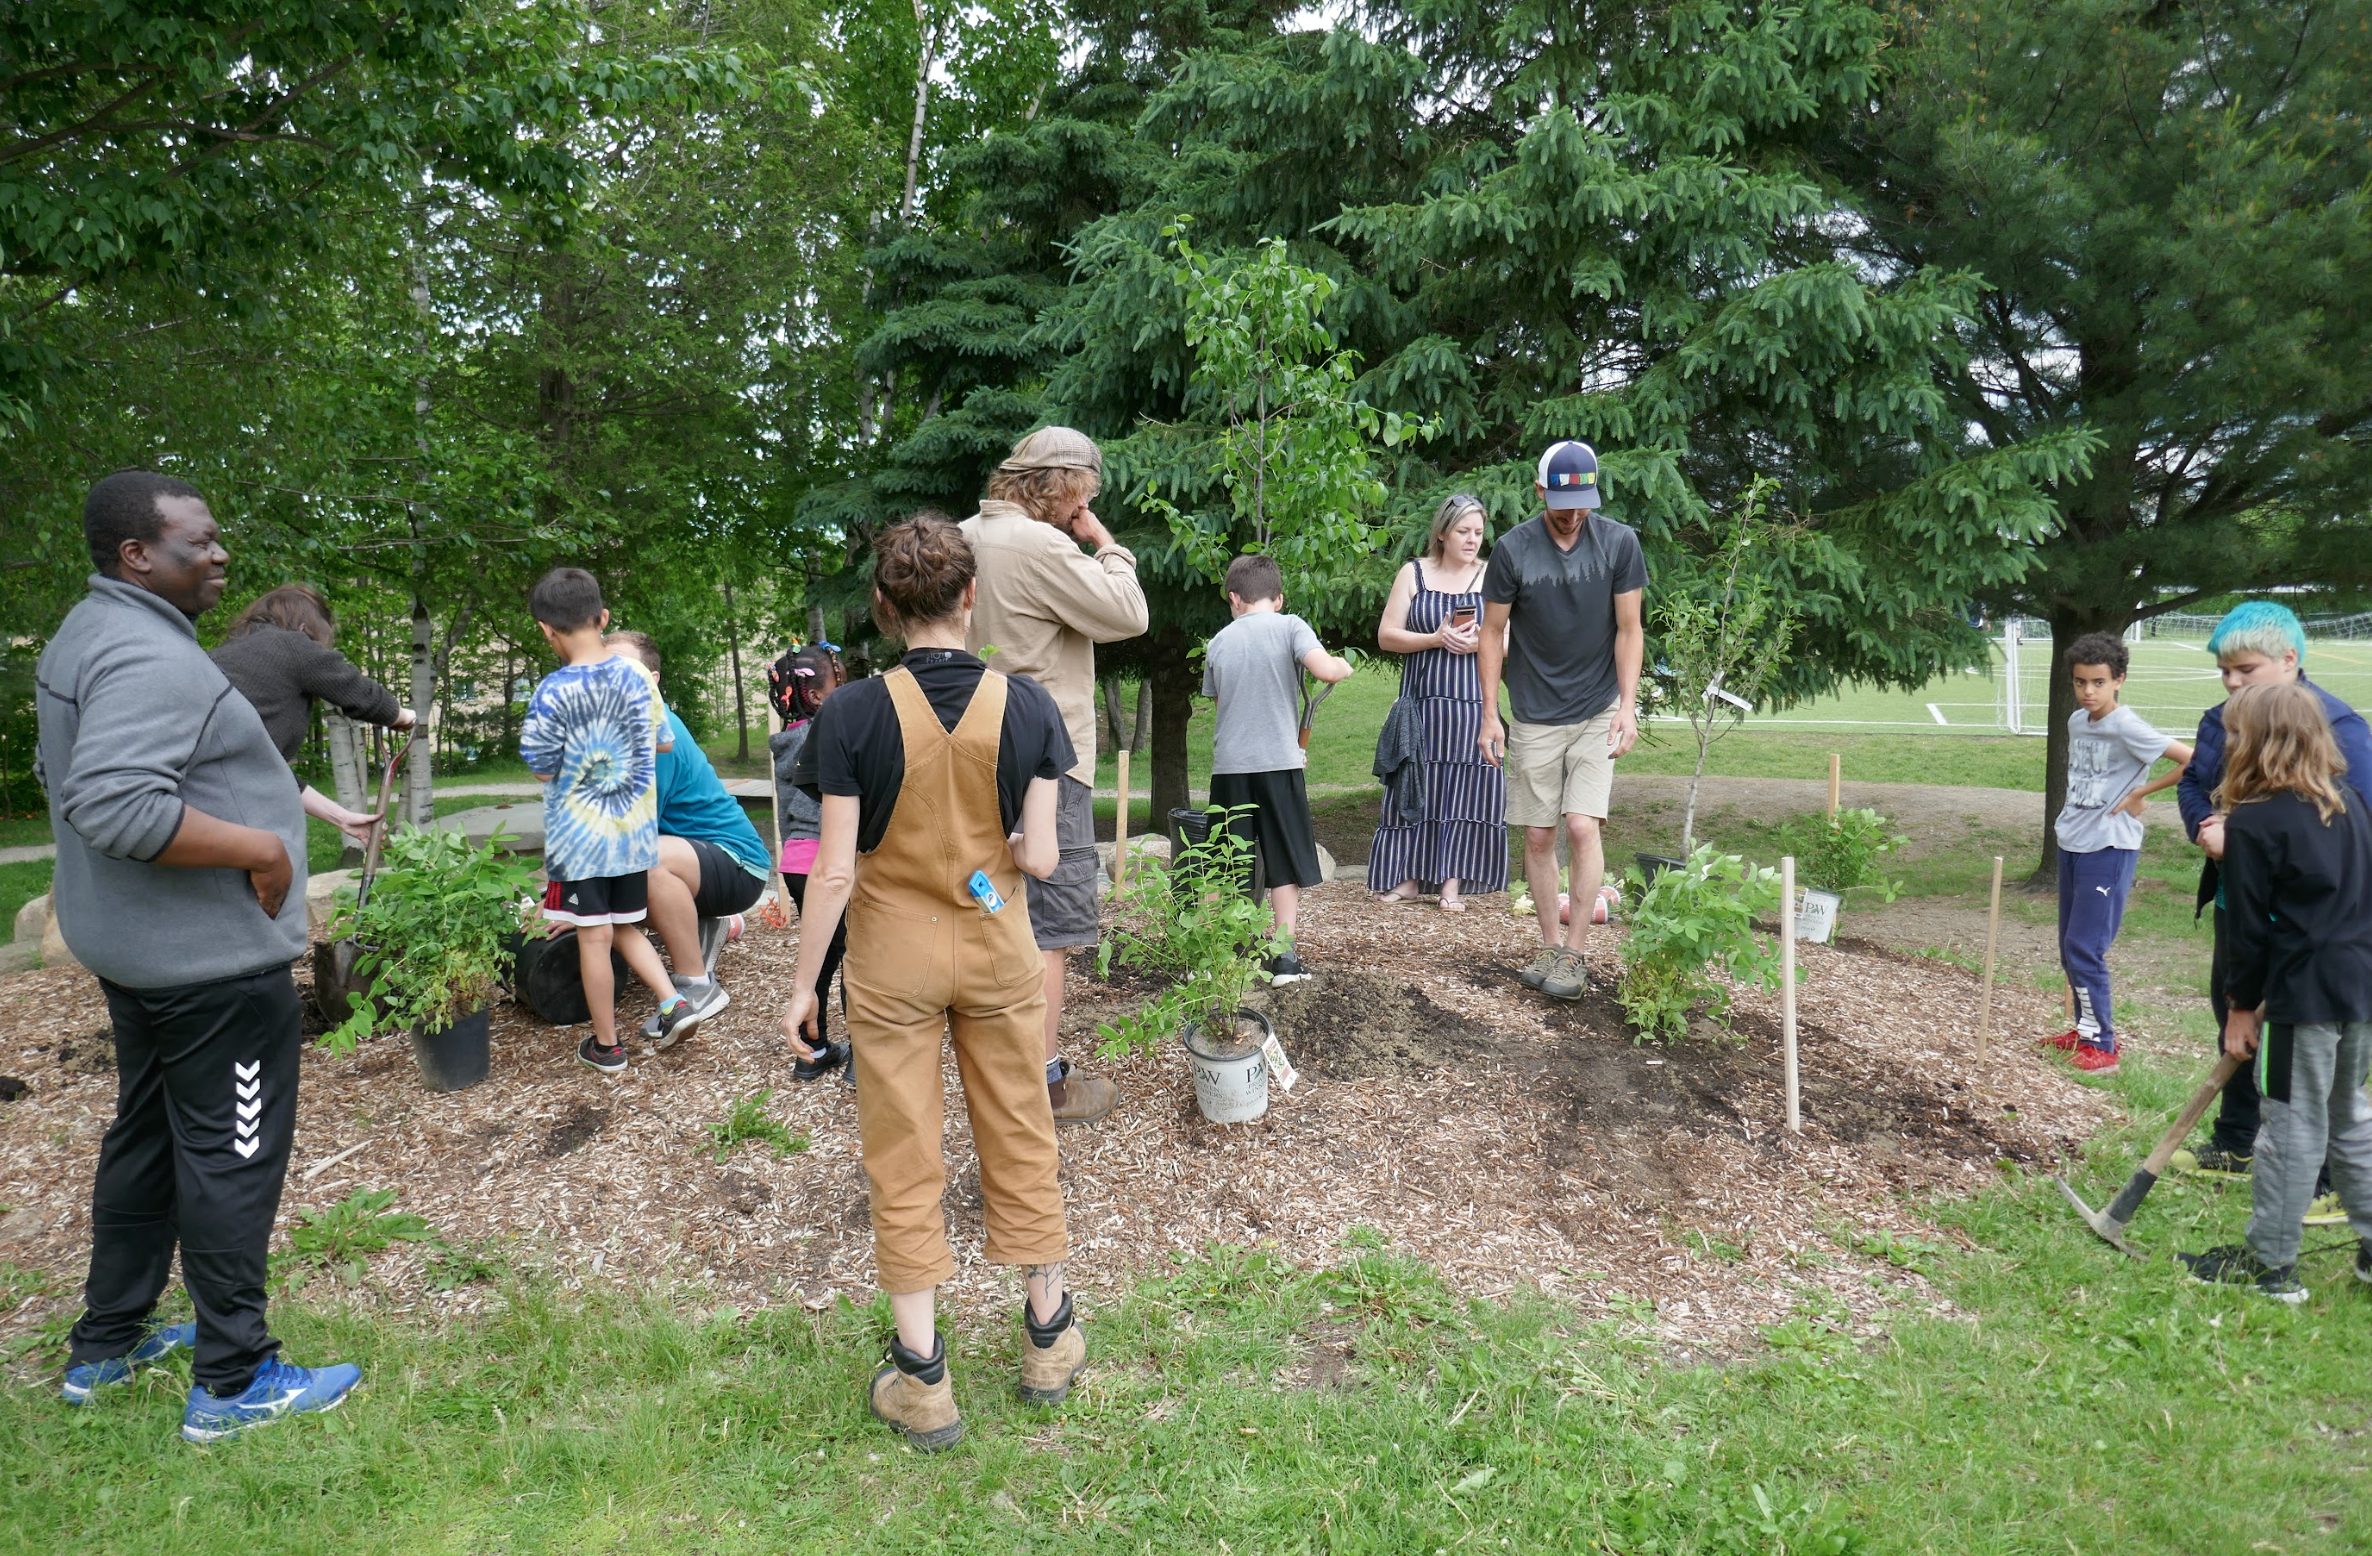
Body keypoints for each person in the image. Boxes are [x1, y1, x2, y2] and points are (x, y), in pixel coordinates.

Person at [38, 469, 360, 1442]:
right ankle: (234, 1380)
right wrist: (263, 847)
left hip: (138, 951)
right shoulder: (150, 658)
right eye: (199, 541)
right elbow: (110, 800)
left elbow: (68, 772)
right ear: (138, 553)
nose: (220, 554)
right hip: (211, 966)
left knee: (147, 1132)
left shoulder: (83, 632)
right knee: (234, 1150)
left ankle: (107, 1342)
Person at [779, 513, 1083, 1452]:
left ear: (882, 609)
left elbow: (830, 872)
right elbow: (1042, 854)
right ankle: (1049, 1336)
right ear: (969, 596)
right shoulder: (1029, 708)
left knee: (902, 1148)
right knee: (1021, 1126)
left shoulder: (850, 712)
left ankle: (922, 1378)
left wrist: (801, 990)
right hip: (998, 950)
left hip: (891, 961)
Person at [961, 426, 1148, 1126]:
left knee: (988, 904)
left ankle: (990, 1065)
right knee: (1049, 925)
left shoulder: (960, 536)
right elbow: (1128, 614)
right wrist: (1105, 542)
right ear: (1065, 487)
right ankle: (1040, 1088)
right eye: (1086, 497)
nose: (1085, 507)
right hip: (1046, 757)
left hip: (969, 750)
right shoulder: (1041, 544)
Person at [2176, 681, 2372, 1301]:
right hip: (2361, 988)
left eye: (2236, 734)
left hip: (2303, 998)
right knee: (2350, 1114)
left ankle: (2271, 1265)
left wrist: (2238, 1008)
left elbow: (2249, 930)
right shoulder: (2350, 803)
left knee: (2291, 1122)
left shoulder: (2256, 823)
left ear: (2255, 742)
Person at [1477, 441, 1647, 1002]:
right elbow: (1492, 633)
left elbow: (1629, 628)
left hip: (1598, 705)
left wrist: (1628, 704)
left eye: (1582, 505)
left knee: (1581, 825)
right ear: (1540, 492)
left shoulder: (1620, 543)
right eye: (1561, 504)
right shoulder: (1512, 550)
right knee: (1539, 832)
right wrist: (1488, 714)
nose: (1573, 516)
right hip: (1533, 713)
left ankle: (1575, 953)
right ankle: (1549, 944)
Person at [519, 568, 701, 1073]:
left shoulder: (552, 692)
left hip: (581, 844)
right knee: (624, 926)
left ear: (546, 630)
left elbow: (540, 767)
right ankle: (673, 1002)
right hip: (634, 836)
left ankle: (607, 1046)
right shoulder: (639, 676)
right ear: (602, 618)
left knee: (593, 938)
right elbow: (663, 739)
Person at [2039, 632, 2193, 1076]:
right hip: (2073, 841)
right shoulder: (2076, 722)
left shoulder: (2128, 725)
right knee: (2070, 948)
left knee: (2085, 946)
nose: (2088, 691)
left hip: (2109, 847)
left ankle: (2103, 1046)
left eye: (2099, 682)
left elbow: (2196, 760)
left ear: (2119, 680)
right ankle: (2084, 1031)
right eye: (2080, 682)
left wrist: (2142, 791)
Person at [603, 630, 769, 1040]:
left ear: (652, 680)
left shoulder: (657, 731)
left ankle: (698, 987)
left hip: (738, 864)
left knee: (644, 861)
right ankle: (712, 924)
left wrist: (567, 903)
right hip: (697, 865)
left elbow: (630, 834)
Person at [1202, 553, 1356, 982]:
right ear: (1279, 597)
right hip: (1279, 769)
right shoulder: (1291, 626)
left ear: (1234, 598)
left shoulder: (1218, 642)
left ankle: (1227, 958)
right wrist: (1342, 666)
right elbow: (1325, 669)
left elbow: (1224, 709)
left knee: (1229, 862)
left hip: (1230, 771)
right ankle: (1284, 958)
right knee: (1283, 862)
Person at [1369, 494, 1509, 911]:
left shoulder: (1492, 575)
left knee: (1466, 788)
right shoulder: (1413, 573)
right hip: (1422, 703)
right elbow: (1386, 635)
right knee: (1417, 784)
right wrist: (1435, 638)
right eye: (1464, 532)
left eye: (1479, 533)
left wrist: (1478, 642)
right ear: (1442, 533)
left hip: (1471, 702)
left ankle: (1451, 883)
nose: (1472, 541)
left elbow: (1508, 640)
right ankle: (1409, 879)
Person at [208, 583, 416, 845]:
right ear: (305, 628)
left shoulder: (221, 656)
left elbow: (264, 770)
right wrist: (403, 716)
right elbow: (359, 692)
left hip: (199, 809)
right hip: (233, 816)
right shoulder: (291, 644)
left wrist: (341, 818)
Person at [768, 641, 851, 1080]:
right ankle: (860, 1056)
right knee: (857, 955)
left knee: (819, 956)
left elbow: (784, 813)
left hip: (797, 864)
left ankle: (812, 1051)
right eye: (839, 683)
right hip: (830, 861)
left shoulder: (784, 744)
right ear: (817, 696)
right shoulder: (830, 736)